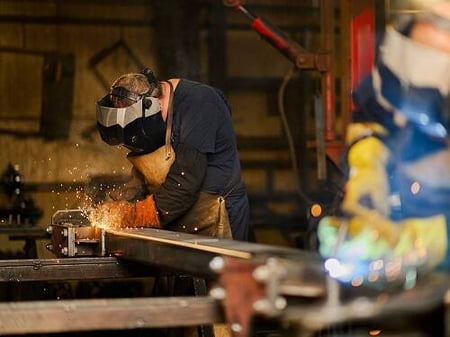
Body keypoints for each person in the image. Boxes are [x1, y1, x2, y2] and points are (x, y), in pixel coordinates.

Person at [317, 1, 450, 286]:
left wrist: (429, 241)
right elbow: (374, 114)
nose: (402, 119)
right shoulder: (400, 60)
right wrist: (367, 162)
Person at [93, 68, 250, 241]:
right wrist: (116, 205)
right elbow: (146, 172)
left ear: (154, 105)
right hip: (180, 216)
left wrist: (130, 216)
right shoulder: (153, 113)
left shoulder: (199, 105)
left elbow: (183, 185)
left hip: (218, 219)